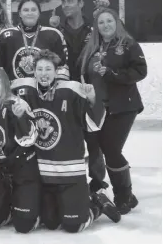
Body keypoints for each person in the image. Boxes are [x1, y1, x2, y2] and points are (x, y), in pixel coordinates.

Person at [11, 50, 121, 233]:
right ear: (34, 72)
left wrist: (93, 99)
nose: (44, 73)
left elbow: (93, 125)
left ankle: (96, 203)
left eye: (48, 69)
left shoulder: (70, 91)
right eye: (40, 69)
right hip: (43, 174)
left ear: (56, 72)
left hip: (71, 173)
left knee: (73, 226)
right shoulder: (26, 92)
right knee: (52, 222)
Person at [79, 7, 147, 215]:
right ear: (96, 27)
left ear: (117, 22)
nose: (105, 25)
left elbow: (140, 71)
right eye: (101, 22)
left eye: (109, 21)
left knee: (111, 149)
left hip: (123, 106)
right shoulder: (92, 47)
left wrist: (112, 73)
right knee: (101, 146)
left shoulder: (128, 44)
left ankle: (123, 195)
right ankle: (123, 194)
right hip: (99, 107)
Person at [51, 0, 108, 194]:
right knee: (67, 140)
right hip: (65, 95)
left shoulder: (95, 30)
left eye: (71, 0)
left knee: (94, 140)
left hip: (89, 92)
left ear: (81, 3)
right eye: (63, 1)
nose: (66, 4)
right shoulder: (56, 31)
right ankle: (67, 182)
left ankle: (97, 183)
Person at [0, 68, 39, 230]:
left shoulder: (17, 104)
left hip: (23, 170)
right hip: (2, 173)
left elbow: (30, 139)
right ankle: (11, 204)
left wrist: (21, 119)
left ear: (5, 84)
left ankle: (36, 205)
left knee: (24, 226)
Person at [0, 0, 69, 81]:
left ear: (39, 13)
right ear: (19, 13)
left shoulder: (53, 34)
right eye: (26, 10)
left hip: (44, 91)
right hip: (13, 90)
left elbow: (61, 68)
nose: (30, 13)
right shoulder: (5, 36)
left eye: (33, 10)